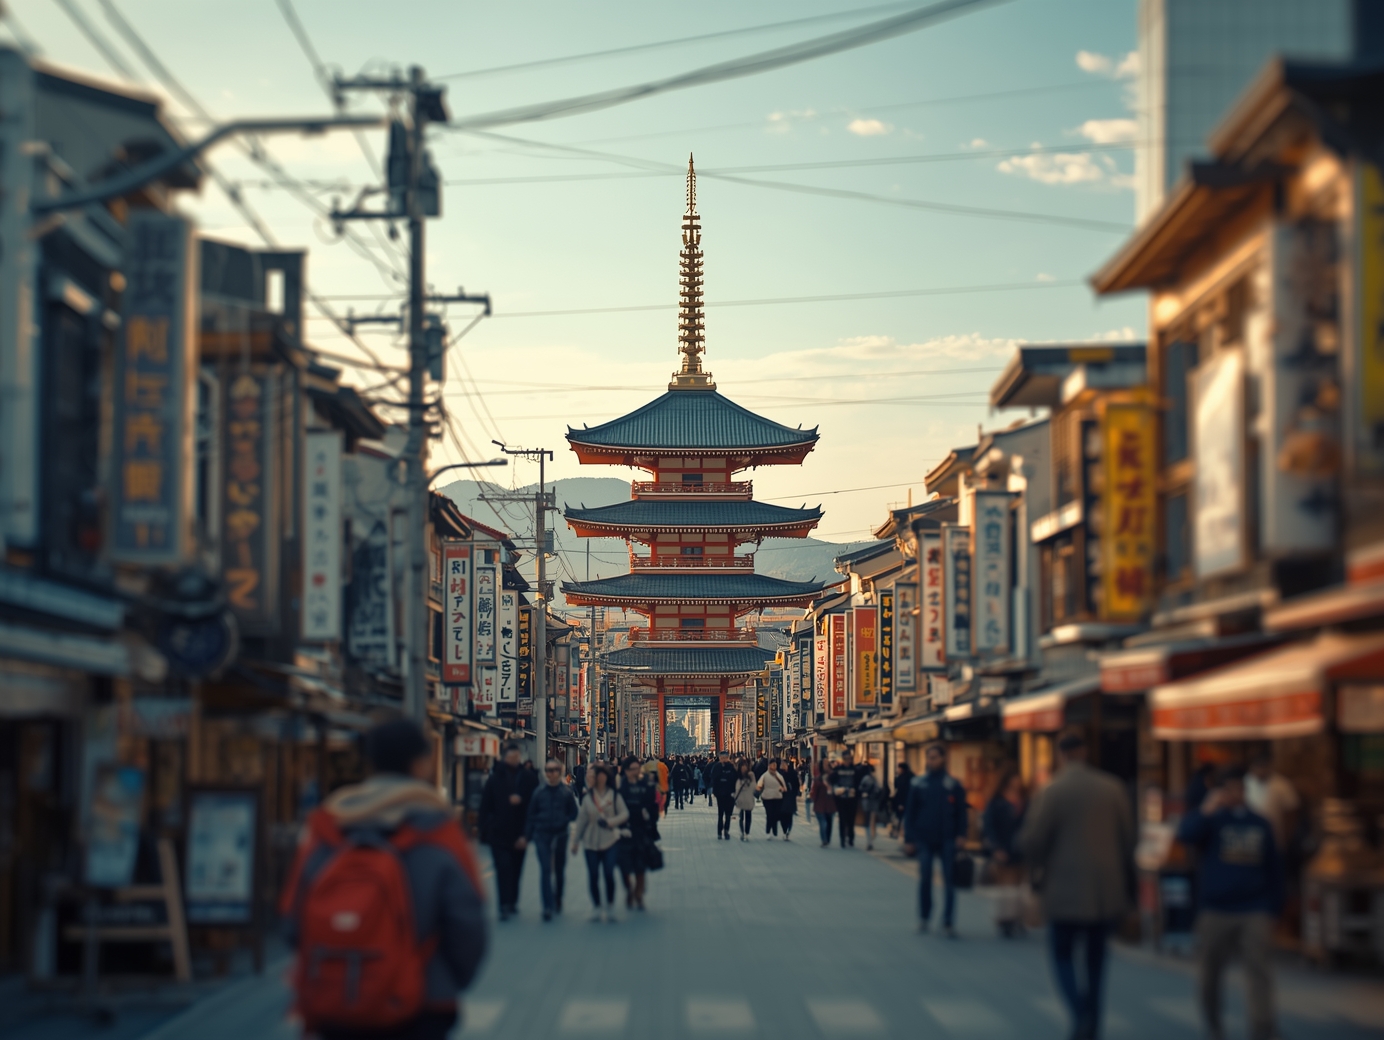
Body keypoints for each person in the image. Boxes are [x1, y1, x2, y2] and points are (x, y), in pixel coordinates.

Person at [281, 718, 486, 1040]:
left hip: (338, 1000)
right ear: (421, 764)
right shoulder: (439, 831)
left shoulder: (328, 827)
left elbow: (293, 921)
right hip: (423, 1002)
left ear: (369, 763)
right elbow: (468, 923)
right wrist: (448, 979)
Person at [1020, 729, 1135, 1040]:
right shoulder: (1113, 788)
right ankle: (1092, 1021)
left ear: (1062, 754)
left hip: (1063, 887)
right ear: (1085, 752)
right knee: (1096, 960)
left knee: (1061, 954)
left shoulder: (1052, 791)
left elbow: (1034, 841)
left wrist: (1035, 876)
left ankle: (1078, 1009)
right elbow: (1128, 841)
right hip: (1105, 890)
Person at [1177, 765, 1283, 1040]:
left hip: (1254, 908)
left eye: (1240, 788)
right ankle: (1213, 1026)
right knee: (1210, 976)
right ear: (1221, 791)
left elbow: (1274, 867)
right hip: (1215, 909)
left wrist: (1274, 906)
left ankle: (1263, 1029)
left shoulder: (1260, 823)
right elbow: (1184, 834)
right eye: (1230, 788)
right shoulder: (1212, 821)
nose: (1236, 793)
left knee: (1259, 973)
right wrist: (1206, 809)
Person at [903, 743, 968, 938]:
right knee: (925, 879)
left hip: (948, 838)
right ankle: (924, 917)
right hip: (924, 839)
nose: (931, 761)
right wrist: (909, 838)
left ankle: (948, 921)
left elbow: (961, 813)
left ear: (943, 759)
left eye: (935, 757)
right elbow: (910, 813)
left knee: (949, 881)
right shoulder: (919, 784)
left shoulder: (952, 784)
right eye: (929, 758)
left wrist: (961, 834)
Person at [477, 743, 539, 920]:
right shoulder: (495, 779)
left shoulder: (528, 778)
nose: (514, 760)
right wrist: (485, 830)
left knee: (516, 869)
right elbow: (485, 806)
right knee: (503, 867)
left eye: (516, 757)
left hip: (520, 831)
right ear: (505, 758)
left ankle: (513, 901)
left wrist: (528, 834)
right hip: (499, 832)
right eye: (511, 757)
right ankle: (503, 904)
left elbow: (534, 807)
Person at [570, 763, 629, 923]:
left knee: (609, 874)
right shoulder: (588, 797)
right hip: (590, 841)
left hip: (610, 840)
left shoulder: (614, 796)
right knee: (594, 875)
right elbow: (581, 820)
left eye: (602, 775)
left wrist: (611, 822)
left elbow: (624, 814)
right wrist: (575, 842)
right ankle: (596, 906)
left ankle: (609, 905)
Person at [525, 758, 579, 922]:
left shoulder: (566, 792)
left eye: (555, 769)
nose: (551, 773)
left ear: (560, 771)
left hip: (561, 834)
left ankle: (558, 897)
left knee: (560, 870)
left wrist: (564, 820)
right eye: (548, 770)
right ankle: (547, 906)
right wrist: (527, 836)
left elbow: (574, 813)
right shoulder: (539, 792)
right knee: (546, 869)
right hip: (542, 835)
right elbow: (531, 815)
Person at [983, 769, 1028, 937]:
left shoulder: (1025, 800)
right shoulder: (996, 801)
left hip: (1021, 849)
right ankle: (1004, 920)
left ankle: (1018, 918)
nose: (1017, 781)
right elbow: (989, 826)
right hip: (1003, 847)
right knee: (1005, 888)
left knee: (1020, 887)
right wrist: (996, 847)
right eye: (1015, 778)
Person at [617, 758, 660, 910]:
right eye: (632, 769)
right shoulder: (620, 788)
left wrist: (650, 817)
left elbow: (654, 807)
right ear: (626, 770)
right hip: (624, 831)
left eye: (637, 768)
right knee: (624, 866)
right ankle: (628, 888)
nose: (635, 771)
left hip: (642, 830)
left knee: (640, 866)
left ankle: (639, 893)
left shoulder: (646, 786)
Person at [1245, 751, 1299, 855]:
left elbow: (1291, 811)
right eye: (1257, 767)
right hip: (1250, 838)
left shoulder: (1282, 784)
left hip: (1276, 836)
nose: (1260, 770)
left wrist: (1287, 836)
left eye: (1263, 767)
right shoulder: (1245, 782)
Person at [830, 751, 863, 848]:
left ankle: (851, 838)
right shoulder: (838, 770)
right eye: (846, 758)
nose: (847, 761)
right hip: (841, 799)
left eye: (849, 758)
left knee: (851, 819)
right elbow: (832, 780)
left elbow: (859, 783)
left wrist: (856, 792)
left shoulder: (855, 770)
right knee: (842, 819)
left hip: (852, 799)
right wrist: (837, 790)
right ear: (843, 759)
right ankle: (842, 839)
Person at [757, 758, 790, 839]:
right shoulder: (765, 776)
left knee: (776, 815)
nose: (774, 766)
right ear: (769, 765)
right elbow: (758, 786)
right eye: (772, 764)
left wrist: (781, 789)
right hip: (767, 798)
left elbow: (784, 788)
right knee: (769, 815)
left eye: (775, 765)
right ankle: (768, 832)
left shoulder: (779, 776)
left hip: (777, 798)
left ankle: (775, 830)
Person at [710, 750, 739, 840]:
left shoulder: (731, 767)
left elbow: (735, 779)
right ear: (719, 758)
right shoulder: (716, 767)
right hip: (720, 794)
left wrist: (734, 791)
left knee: (728, 814)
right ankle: (719, 831)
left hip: (729, 793)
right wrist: (714, 791)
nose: (724, 760)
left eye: (725, 758)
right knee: (720, 813)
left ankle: (726, 830)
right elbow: (714, 780)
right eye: (722, 758)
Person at [858, 765, 883, 851]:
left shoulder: (869, 779)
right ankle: (870, 840)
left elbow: (861, 788)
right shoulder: (872, 779)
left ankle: (870, 840)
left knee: (869, 821)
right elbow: (878, 790)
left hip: (869, 802)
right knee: (870, 821)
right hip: (871, 802)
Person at [811, 766, 837, 846]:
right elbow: (814, 794)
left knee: (827, 823)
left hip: (828, 806)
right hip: (821, 806)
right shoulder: (818, 782)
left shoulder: (832, 782)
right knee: (824, 823)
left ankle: (826, 839)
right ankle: (824, 839)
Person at [733, 761, 758, 841]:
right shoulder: (737, 775)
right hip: (740, 798)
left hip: (748, 797)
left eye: (745, 766)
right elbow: (735, 787)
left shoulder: (751, 775)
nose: (744, 768)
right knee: (741, 817)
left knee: (748, 816)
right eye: (742, 766)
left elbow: (754, 785)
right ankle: (742, 832)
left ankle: (747, 832)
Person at [890, 762, 913, 838]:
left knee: (901, 819)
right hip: (905, 802)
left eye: (899, 768)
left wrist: (901, 803)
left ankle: (898, 833)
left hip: (903, 802)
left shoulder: (904, 778)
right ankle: (898, 832)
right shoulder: (906, 777)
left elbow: (902, 791)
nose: (898, 770)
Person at [779, 758, 799, 839]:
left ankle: (788, 831)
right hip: (782, 796)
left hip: (790, 796)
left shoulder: (793, 773)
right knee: (782, 815)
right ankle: (784, 830)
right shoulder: (780, 774)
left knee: (789, 815)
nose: (783, 765)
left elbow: (796, 785)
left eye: (784, 763)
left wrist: (794, 793)